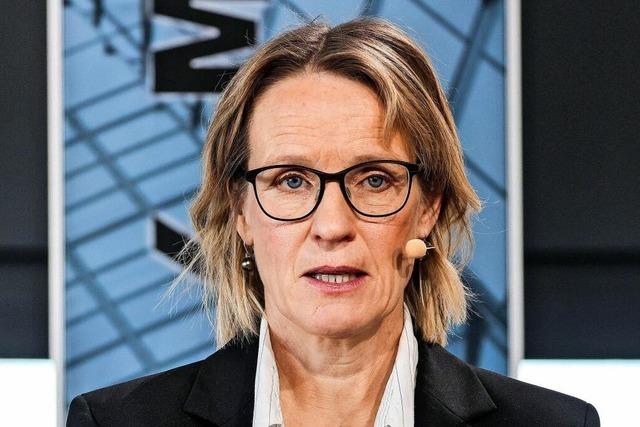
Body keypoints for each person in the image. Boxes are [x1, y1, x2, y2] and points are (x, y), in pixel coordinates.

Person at [67, 16, 600, 426]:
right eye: (291, 181)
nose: (332, 226)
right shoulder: (116, 423)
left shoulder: (553, 424)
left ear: (429, 207)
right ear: (240, 212)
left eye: (374, 180)